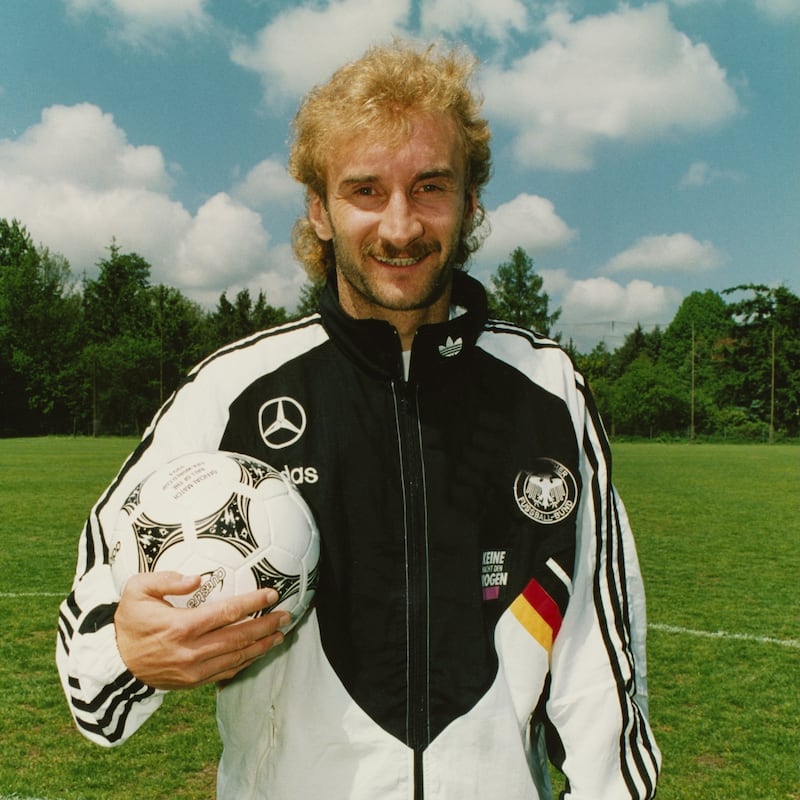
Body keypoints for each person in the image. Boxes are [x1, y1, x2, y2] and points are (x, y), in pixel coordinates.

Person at [56, 42, 661, 799]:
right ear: (320, 208)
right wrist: (128, 650)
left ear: (471, 201)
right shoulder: (229, 390)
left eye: (430, 187)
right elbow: (91, 658)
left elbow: (600, 671)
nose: (400, 227)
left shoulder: (546, 389)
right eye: (366, 190)